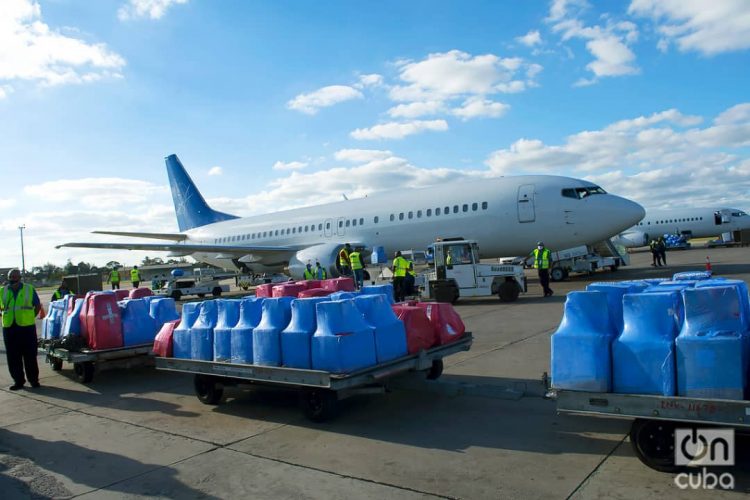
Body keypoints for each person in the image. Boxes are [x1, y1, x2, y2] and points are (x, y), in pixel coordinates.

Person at [1, 269, 42, 390]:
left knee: (30, 355)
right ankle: (18, 381)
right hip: (9, 328)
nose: (13, 278)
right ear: (8, 278)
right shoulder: (2, 291)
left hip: (27, 328)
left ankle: (34, 380)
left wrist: (29, 317)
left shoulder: (29, 289)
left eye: (15, 276)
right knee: (13, 357)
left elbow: (37, 306)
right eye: (11, 276)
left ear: (20, 277)